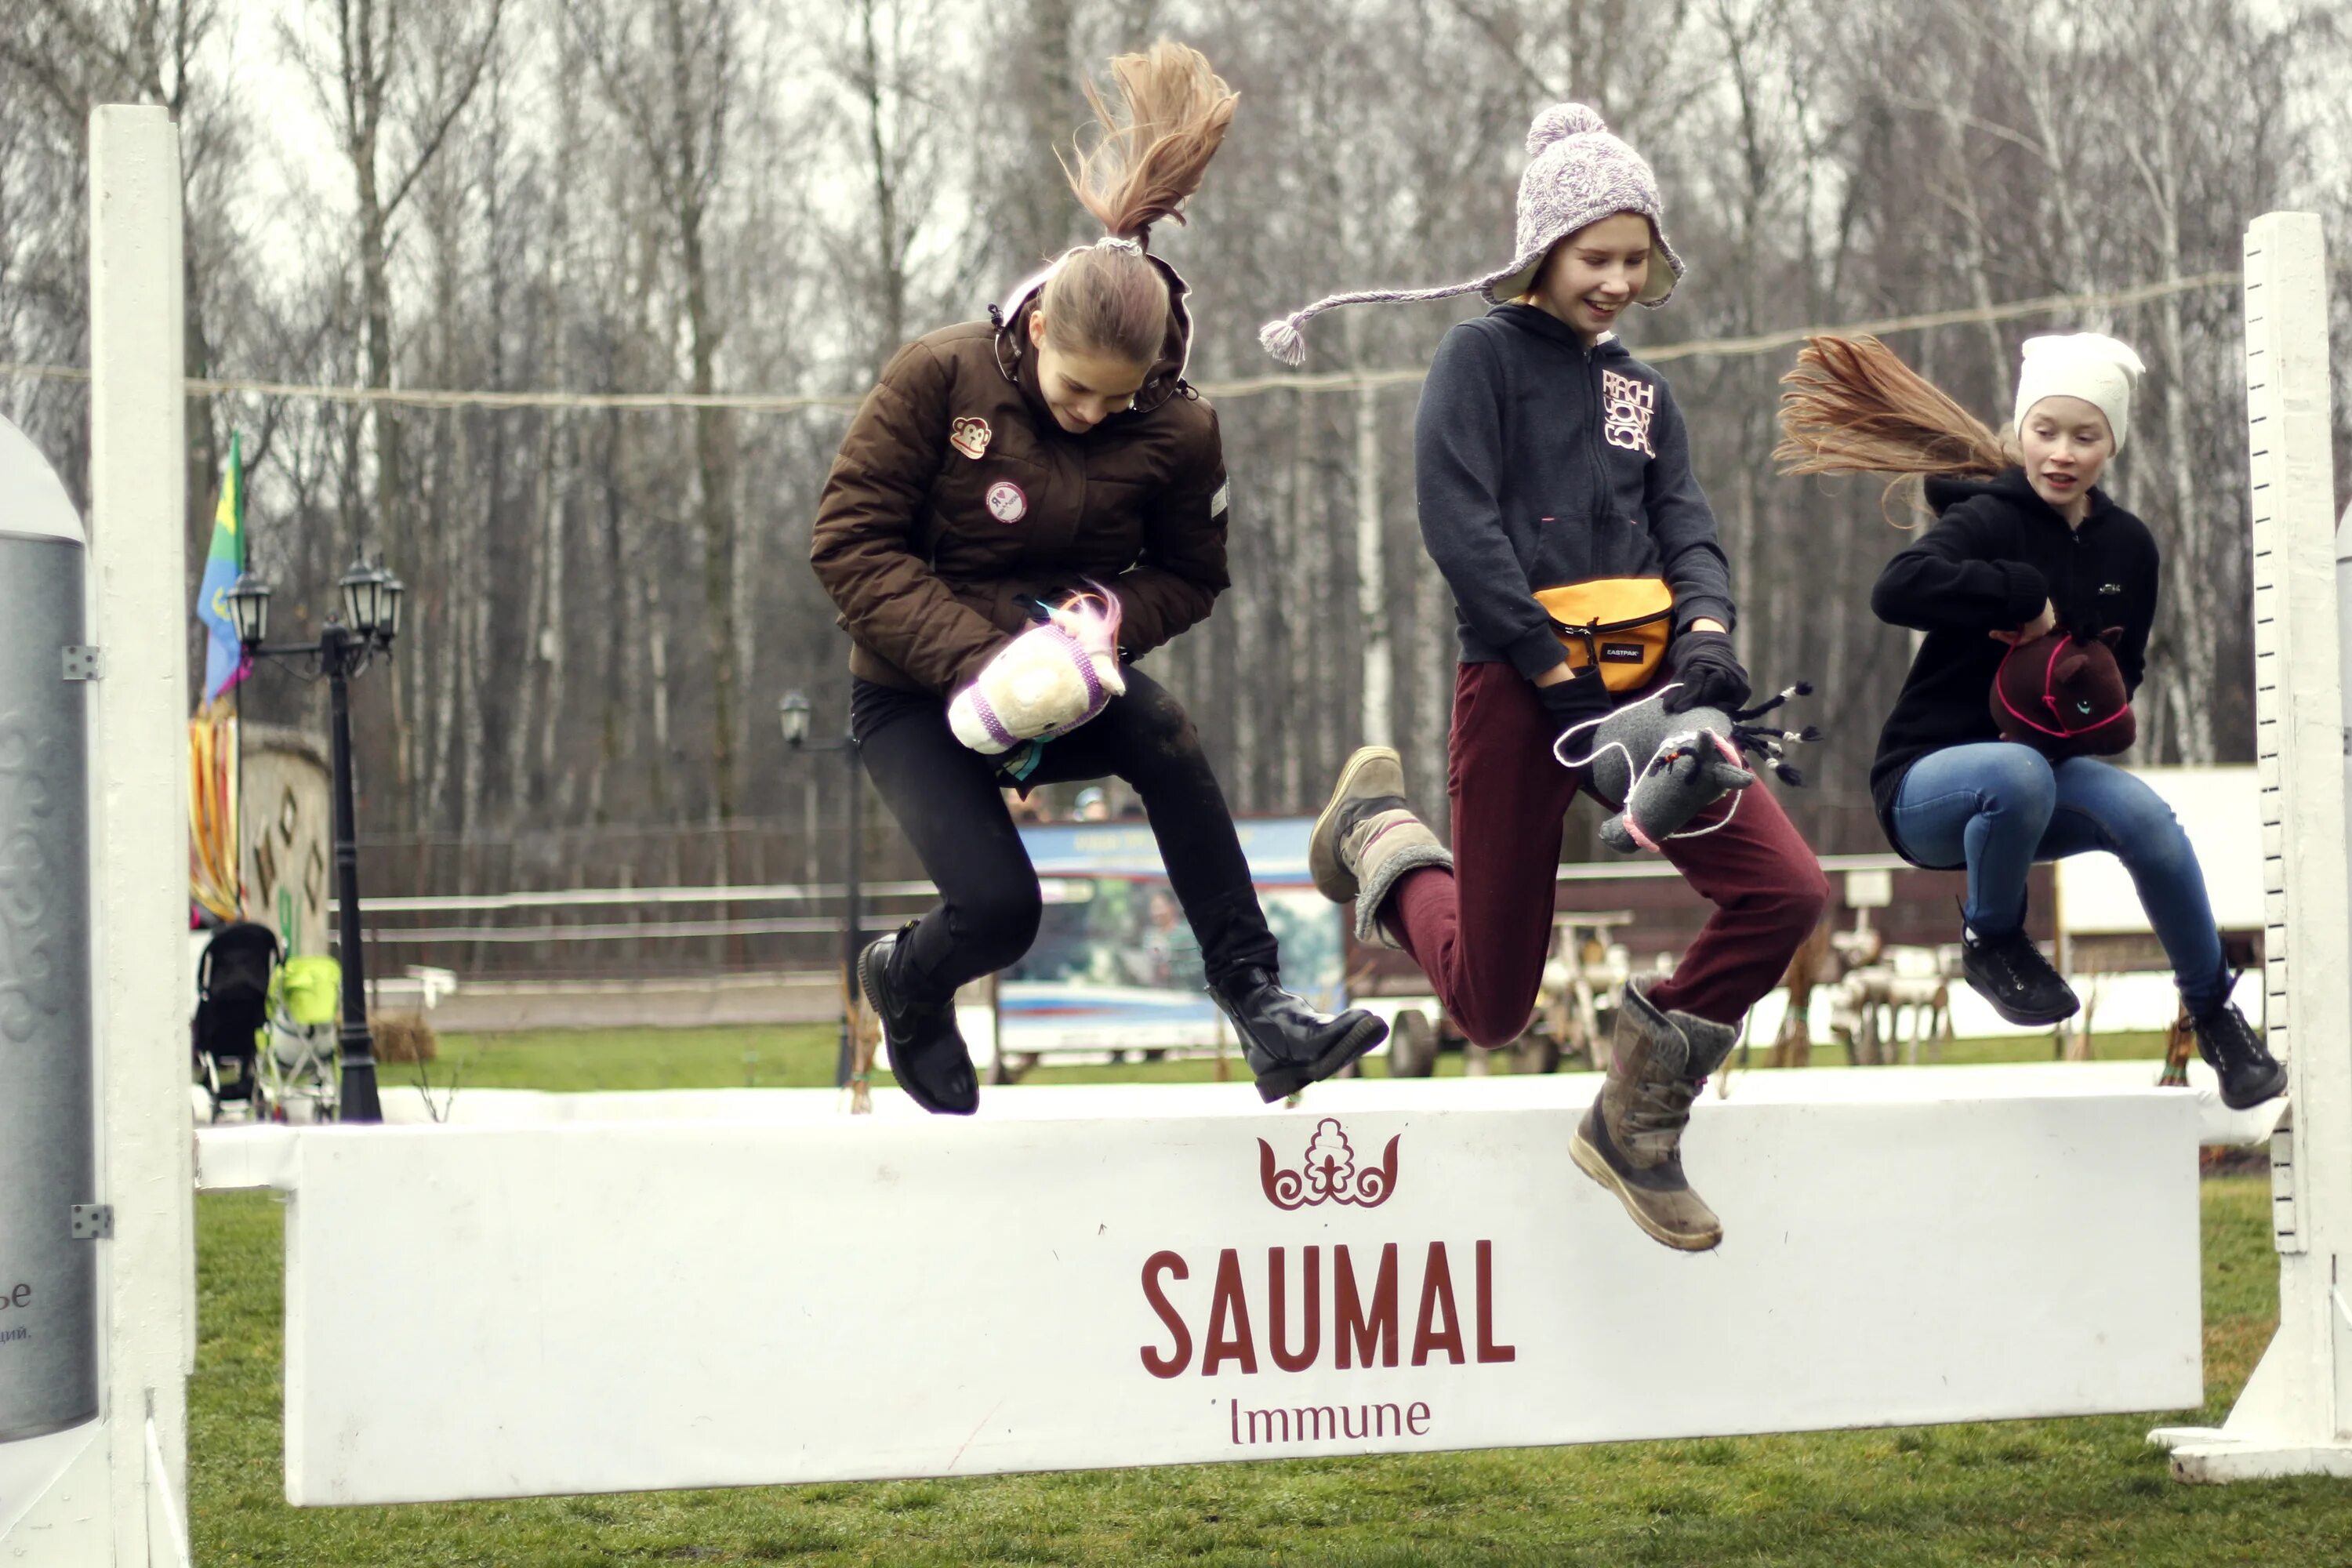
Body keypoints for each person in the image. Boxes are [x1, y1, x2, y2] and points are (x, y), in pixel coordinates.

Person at [1260, 105, 1829, 1252]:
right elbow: (1459, 527)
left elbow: (1690, 527)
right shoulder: (1478, 359)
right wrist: (1555, 675)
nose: (1619, 281)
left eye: (1637, 259)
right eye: (1596, 257)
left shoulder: (1643, 394)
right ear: (1541, 251)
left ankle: (1639, 1111)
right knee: (1490, 1006)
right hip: (1524, 690)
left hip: (1655, 703)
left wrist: (1709, 639)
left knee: (1789, 892)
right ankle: (1381, 835)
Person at [810, 42, 1385, 1115]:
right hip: (914, 694)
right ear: (1035, 330)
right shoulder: (940, 375)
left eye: (1119, 403)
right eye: (1077, 393)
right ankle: (905, 981)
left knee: (1169, 742)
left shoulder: (1179, 427)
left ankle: (1261, 1004)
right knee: (998, 913)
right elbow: (848, 544)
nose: (1093, 418)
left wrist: (1104, 624)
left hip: (1074, 681)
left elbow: (1191, 575)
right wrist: (989, 668)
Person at [1776, 331, 2285, 1109]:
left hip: (2042, 773)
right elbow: (1897, 589)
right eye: (2045, 431)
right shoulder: (1990, 517)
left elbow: (2129, 672)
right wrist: (2019, 597)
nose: (2062, 453)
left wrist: (2087, 700)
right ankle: (1993, 937)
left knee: (2146, 816)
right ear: (2019, 432)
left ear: (2113, 440)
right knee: (2014, 774)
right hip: (1929, 784)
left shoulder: (2130, 549)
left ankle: (2215, 1012)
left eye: (2086, 435)